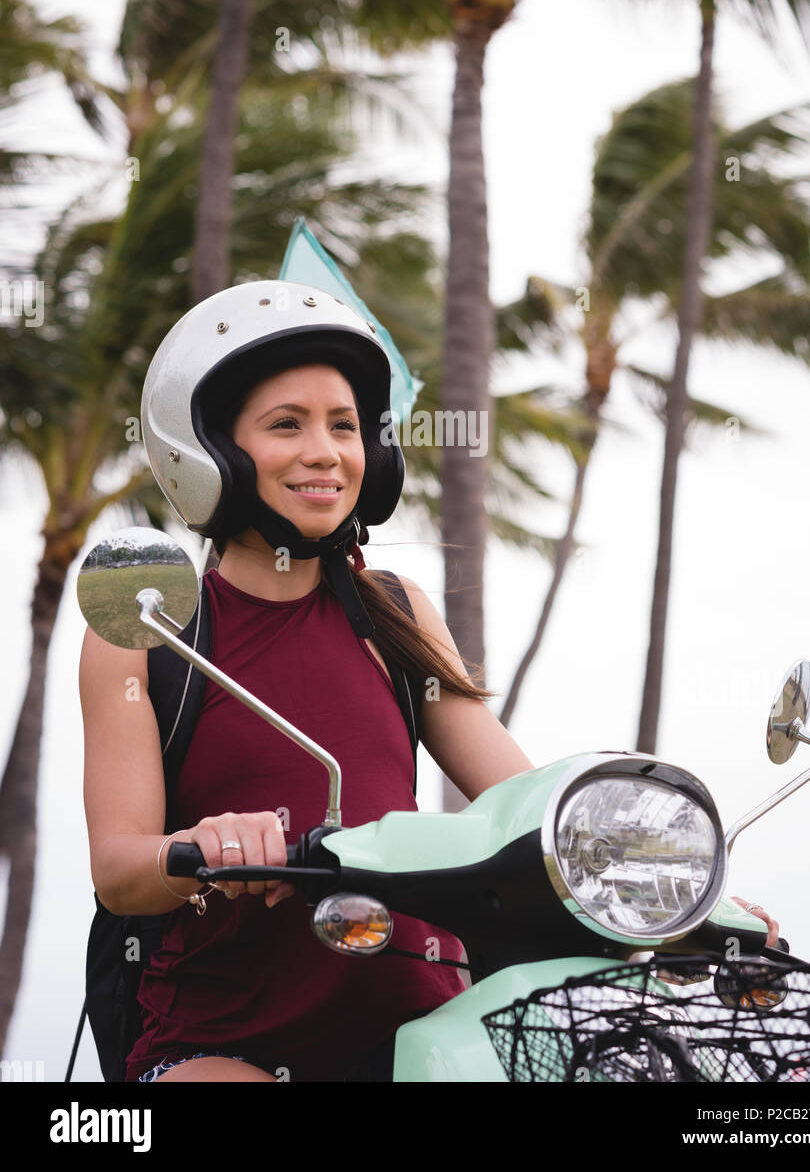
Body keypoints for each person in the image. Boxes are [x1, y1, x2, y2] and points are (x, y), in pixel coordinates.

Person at [79, 279, 535, 1083]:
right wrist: (206, 844)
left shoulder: (395, 611)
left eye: (345, 426)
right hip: (224, 1042)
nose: (325, 451)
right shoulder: (145, 626)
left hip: (425, 1031)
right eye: (286, 425)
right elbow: (119, 870)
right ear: (208, 451)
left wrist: (668, 892)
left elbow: (524, 808)